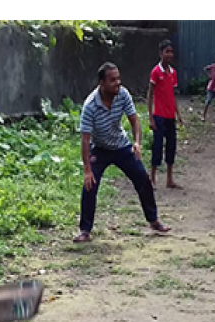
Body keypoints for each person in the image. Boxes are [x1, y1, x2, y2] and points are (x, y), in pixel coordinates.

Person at [74, 62, 171, 243]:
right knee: (89, 185)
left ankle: (154, 221)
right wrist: (87, 169)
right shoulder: (90, 106)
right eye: (113, 80)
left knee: (143, 178)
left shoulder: (123, 94)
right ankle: (84, 230)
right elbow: (85, 140)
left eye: (119, 78)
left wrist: (137, 143)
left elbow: (134, 121)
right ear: (101, 83)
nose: (118, 83)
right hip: (100, 148)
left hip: (121, 146)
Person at [147, 39, 184, 189]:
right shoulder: (156, 72)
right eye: (166, 51)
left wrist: (178, 114)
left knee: (171, 146)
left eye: (171, 51)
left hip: (170, 116)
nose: (169, 54)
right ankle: (152, 178)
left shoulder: (173, 72)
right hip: (159, 116)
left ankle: (169, 179)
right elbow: (149, 95)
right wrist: (150, 117)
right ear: (160, 53)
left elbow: (173, 95)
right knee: (157, 146)